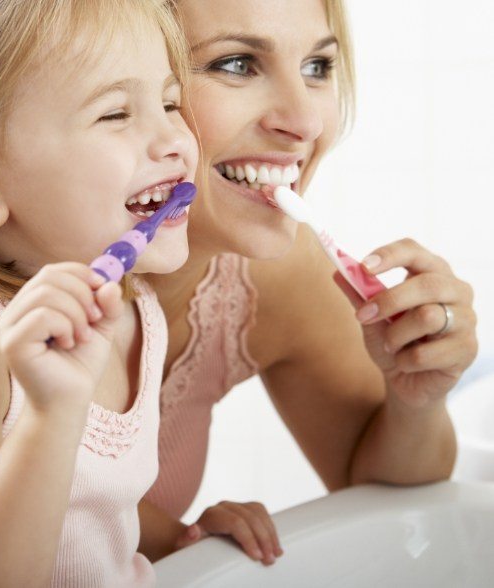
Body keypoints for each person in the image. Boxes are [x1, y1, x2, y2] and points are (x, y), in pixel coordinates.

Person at [138, 0, 478, 568]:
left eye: (318, 68)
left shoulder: (274, 274)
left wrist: (415, 397)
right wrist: (171, 541)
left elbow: (381, 489)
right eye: (237, 64)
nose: (306, 122)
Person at [0, 1, 197, 586]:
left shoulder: (134, 305)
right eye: (115, 114)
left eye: (169, 102)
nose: (175, 139)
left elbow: (87, 502)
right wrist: (50, 415)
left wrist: (187, 539)